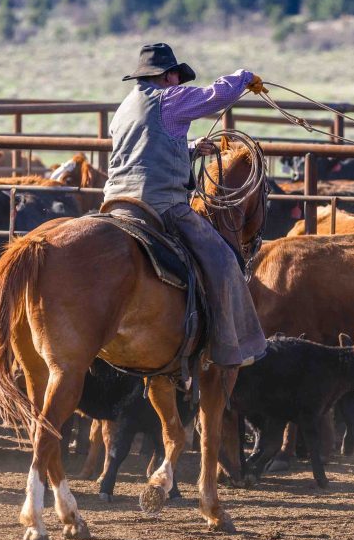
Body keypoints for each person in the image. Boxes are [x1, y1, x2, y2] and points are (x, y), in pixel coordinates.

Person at [104, 42, 267, 368]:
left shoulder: (125, 107)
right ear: (169, 76)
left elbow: (143, 149)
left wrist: (190, 148)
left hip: (115, 202)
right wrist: (244, 77)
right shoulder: (170, 99)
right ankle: (231, 347)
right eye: (177, 75)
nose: (179, 82)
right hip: (159, 203)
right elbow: (215, 97)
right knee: (222, 259)